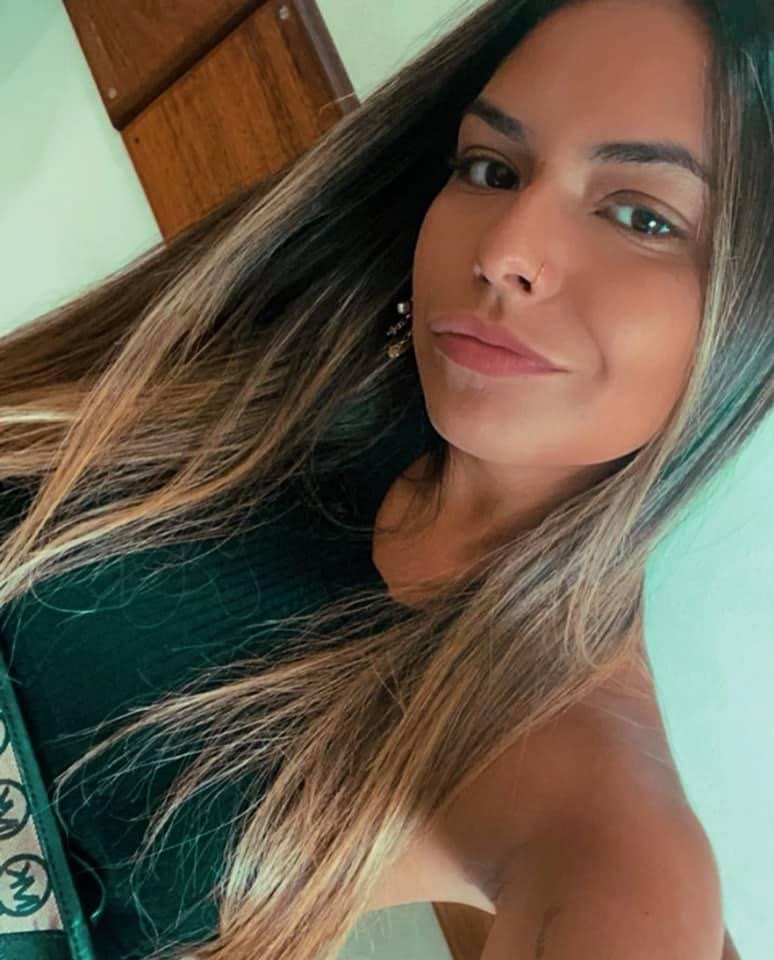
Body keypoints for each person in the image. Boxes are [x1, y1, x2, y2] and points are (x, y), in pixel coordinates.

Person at [0, 0, 769, 957]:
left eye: (641, 216)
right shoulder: (299, 359)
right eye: (491, 168)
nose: (504, 251)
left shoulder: (595, 795)